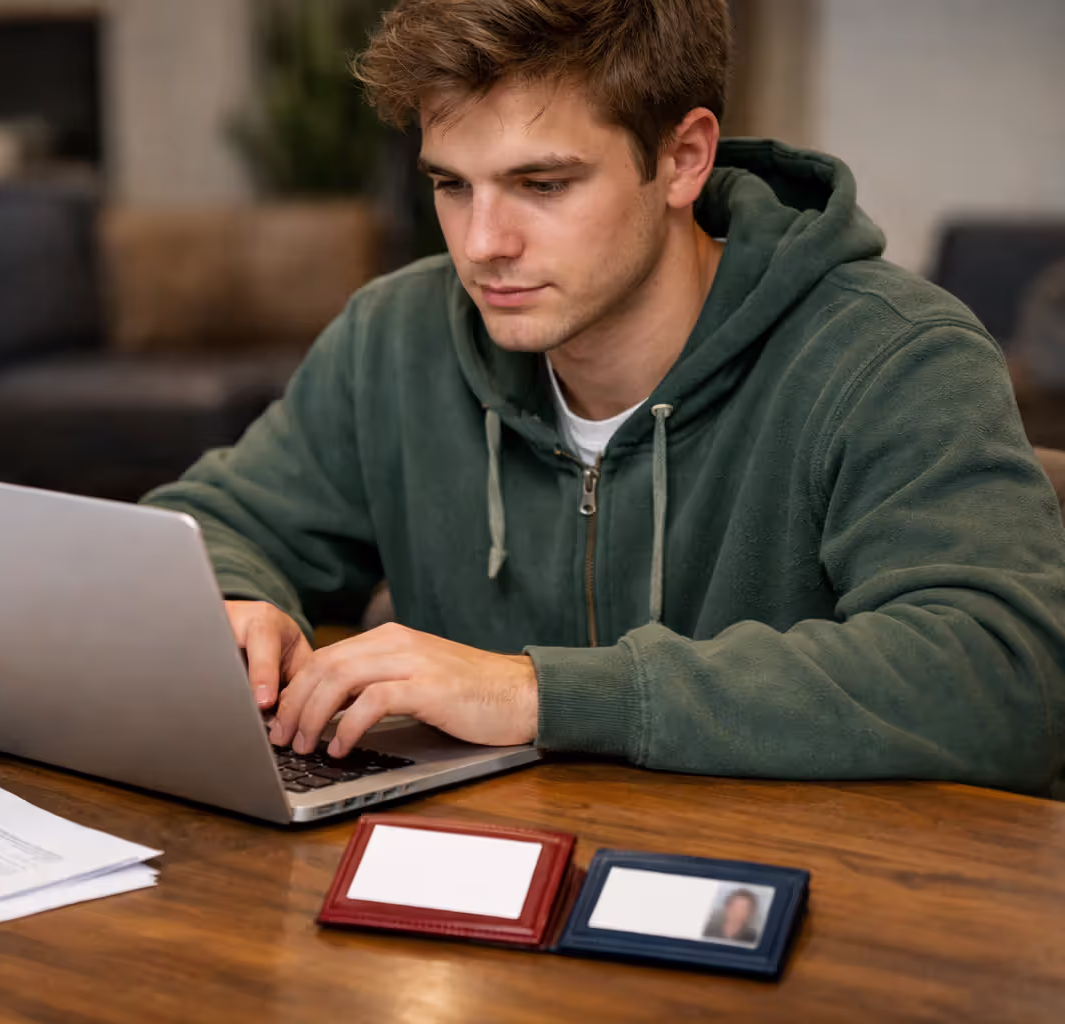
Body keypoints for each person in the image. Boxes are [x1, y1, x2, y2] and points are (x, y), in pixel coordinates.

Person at [143, 0, 1065, 794]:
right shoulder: (396, 335)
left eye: (542, 184)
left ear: (683, 159)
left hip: (794, 910)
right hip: (478, 896)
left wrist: (539, 693)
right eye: (451, 185)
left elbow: (1007, 677)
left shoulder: (891, 355)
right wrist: (233, 601)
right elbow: (214, 522)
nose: (482, 243)